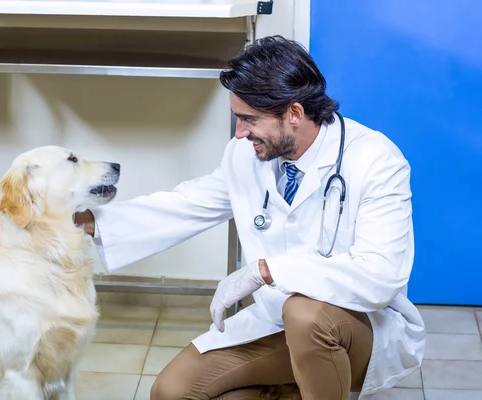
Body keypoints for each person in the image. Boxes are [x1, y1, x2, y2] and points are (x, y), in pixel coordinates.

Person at [74, 35, 425, 400]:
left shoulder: (375, 160)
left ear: (294, 113)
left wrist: (266, 270)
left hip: (358, 326)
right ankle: (294, 387)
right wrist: (95, 221)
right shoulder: (247, 154)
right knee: (173, 392)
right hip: (276, 322)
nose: (240, 132)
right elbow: (189, 203)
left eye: (249, 120)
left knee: (305, 314)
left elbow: (380, 275)